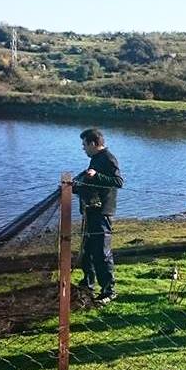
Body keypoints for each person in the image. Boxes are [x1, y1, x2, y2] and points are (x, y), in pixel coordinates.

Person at [75, 129, 124, 304]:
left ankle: (109, 291)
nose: (83, 148)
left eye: (84, 144)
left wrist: (97, 175)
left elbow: (118, 182)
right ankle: (87, 284)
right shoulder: (95, 159)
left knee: (102, 253)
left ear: (93, 143)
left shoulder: (108, 158)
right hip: (91, 211)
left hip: (103, 212)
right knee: (87, 251)